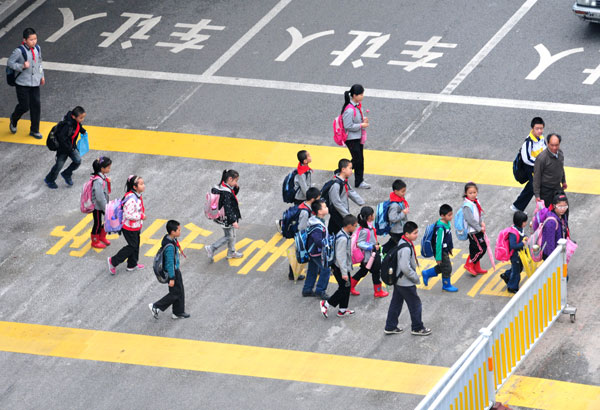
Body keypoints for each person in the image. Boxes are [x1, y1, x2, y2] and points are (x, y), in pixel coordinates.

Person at [384, 222, 431, 336]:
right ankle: (417, 327)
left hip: (399, 281)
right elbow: (405, 267)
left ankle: (390, 326)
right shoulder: (406, 248)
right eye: (414, 233)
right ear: (407, 234)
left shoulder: (403, 241)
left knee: (396, 303)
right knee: (415, 304)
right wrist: (415, 277)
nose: (417, 235)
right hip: (405, 282)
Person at [8, 27, 45, 139]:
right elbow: (10, 63)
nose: (34, 41)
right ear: (24, 40)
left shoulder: (37, 48)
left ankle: (34, 130)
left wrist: (42, 76)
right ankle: (14, 119)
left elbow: (39, 63)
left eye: (35, 39)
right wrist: (21, 66)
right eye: (31, 40)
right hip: (22, 84)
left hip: (34, 83)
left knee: (36, 106)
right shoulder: (19, 51)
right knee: (24, 106)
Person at [149, 220, 190, 320]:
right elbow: (169, 263)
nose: (180, 232)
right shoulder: (170, 247)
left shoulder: (170, 239)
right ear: (173, 232)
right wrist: (172, 278)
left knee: (179, 290)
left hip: (175, 270)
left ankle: (178, 312)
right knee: (175, 293)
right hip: (172, 272)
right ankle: (156, 306)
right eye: (179, 230)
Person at [320, 214, 358, 318]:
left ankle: (342, 310)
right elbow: (341, 257)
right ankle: (326, 304)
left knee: (346, 287)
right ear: (349, 226)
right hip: (340, 268)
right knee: (343, 289)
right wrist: (344, 273)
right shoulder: (343, 239)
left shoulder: (343, 233)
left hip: (342, 267)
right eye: (355, 226)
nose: (355, 228)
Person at [108, 175, 146, 275]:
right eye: (141, 184)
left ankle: (132, 264)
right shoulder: (131, 199)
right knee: (132, 246)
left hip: (135, 226)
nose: (144, 186)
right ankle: (113, 261)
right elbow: (129, 214)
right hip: (129, 228)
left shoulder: (135, 195)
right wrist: (141, 216)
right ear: (134, 187)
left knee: (135, 244)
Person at [44, 107, 87, 189]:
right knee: (59, 165)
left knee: (77, 161)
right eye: (81, 118)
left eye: (83, 117)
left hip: (71, 147)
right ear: (74, 117)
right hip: (63, 149)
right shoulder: (67, 125)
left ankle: (67, 173)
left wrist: (83, 131)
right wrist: (69, 148)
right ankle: (49, 179)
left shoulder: (75, 122)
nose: (82, 119)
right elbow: (62, 139)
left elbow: (78, 127)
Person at [350, 206, 388, 298]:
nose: (373, 215)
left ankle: (350, 286)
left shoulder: (367, 226)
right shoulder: (365, 230)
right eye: (372, 214)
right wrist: (372, 247)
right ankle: (378, 291)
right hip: (370, 256)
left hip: (369, 256)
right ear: (369, 216)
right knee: (376, 273)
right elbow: (360, 243)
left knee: (363, 271)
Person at [205, 170, 243, 261]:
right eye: (235, 181)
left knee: (232, 235)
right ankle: (212, 248)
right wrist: (233, 221)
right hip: (226, 218)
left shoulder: (222, 187)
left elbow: (232, 197)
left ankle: (231, 252)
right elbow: (228, 208)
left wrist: (236, 188)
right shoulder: (225, 192)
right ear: (230, 179)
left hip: (224, 217)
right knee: (229, 236)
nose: (236, 183)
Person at [286, 186, 321, 281]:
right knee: (302, 252)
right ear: (313, 199)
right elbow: (301, 227)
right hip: (302, 236)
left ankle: (292, 273)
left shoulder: (304, 205)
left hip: (301, 235)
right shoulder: (305, 212)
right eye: (318, 199)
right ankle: (293, 273)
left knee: (301, 252)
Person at [512, 117, 546, 212]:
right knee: (536, 187)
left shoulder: (542, 139)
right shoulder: (528, 143)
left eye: (541, 128)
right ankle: (541, 209)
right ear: (532, 128)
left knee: (533, 187)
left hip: (538, 167)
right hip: (531, 168)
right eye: (537, 128)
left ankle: (518, 206)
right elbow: (526, 159)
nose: (539, 131)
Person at [421, 204, 458, 292]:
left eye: (451, 214)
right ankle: (446, 285)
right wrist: (438, 257)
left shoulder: (447, 223)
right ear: (442, 216)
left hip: (445, 249)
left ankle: (427, 273)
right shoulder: (440, 228)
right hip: (440, 251)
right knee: (447, 268)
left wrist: (450, 247)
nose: (451, 217)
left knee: (443, 267)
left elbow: (449, 237)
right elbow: (438, 244)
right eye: (449, 215)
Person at [341, 84, 370, 189]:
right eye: (361, 94)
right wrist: (361, 125)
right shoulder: (349, 110)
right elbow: (348, 125)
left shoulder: (356, 106)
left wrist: (363, 120)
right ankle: (343, 173)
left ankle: (346, 173)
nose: (362, 96)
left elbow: (356, 119)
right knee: (358, 160)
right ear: (354, 95)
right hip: (352, 138)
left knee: (358, 159)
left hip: (357, 136)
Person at [326, 159, 365, 235]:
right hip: (338, 213)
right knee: (344, 233)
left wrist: (361, 202)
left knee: (334, 231)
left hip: (341, 212)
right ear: (343, 169)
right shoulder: (336, 185)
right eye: (350, 168)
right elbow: (336, 202)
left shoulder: (344, 181)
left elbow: (350, 191)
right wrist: (347, 216)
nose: (351, 171)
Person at [302, 200, 331, 299]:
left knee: (313, 269)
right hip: (317, 252)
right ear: (319, 211)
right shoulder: (317, 226)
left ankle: (307, 289)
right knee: (326, 269)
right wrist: (328, 244)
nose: (327, 208)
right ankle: (320, 290)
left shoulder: (316, 221)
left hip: (312, 251)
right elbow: (318, 241)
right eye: (325, 207)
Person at [533, 134, 567, 209]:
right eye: (552, 145)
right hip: (546, 191)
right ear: (547, 144)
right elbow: (536, 177)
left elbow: (561, 167)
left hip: (557, 188)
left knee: (562, 209)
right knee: (548, 213)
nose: (554, 148)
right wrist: (537, 195)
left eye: (556, 145)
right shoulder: (542, 158)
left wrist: (563, 181)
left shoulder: (560, 153)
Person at [462, 182, 488, 276]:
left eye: (474, 192)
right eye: (470, 193)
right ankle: (469, 264)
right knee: (481, 249)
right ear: (466, 193)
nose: (473, 194)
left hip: (478, 229)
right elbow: (470, 220)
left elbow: (478, 214)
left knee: (475, 249)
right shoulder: (467, 206)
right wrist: (479, 228)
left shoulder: (476, 202)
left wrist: (482, 223)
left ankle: (476, 267)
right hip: (473, 231)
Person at [500, 211, 528, 294]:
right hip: (515, 255)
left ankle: (507, 275)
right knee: (516, 272)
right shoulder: (513, 233)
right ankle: (512, 287)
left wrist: (525, 237)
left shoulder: (519, 229)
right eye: (524, 222)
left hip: (520, 254)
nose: (525, 223)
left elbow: (521, 235)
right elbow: (513, 246)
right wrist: (522, 243)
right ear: (520, 222)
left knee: (518, 268)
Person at [90, 156, 112, 249]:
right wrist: (106, 208)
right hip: (98, 207)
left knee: (109, 219)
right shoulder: (98, 181)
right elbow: (99, 197)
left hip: (103, 204)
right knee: (97, 223)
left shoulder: (102, 177)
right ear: (102, 169)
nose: (109, 169)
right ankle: (95, 241)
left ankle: (102, 236)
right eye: (108, 167)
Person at [382, 179, 409, 254]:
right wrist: (403, 213)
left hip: (398, 228)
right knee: (398, 244)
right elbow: (392, 218)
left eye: (404, 191)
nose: (404, 193)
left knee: (394, 242)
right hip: (396, 230)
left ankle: (383, 250)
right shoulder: (394, 205)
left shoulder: (398, 199)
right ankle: (384, 252)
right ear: (396, 191)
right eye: (402, 191)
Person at [541, 192, 570, 260]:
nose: (563, 209)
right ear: (554, 206)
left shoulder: (563, 216)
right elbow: (550, 243)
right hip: (551, 255)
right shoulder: (551, 222)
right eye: (560, 206)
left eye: (565, 206)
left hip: (559, 251)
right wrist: (553, 259)